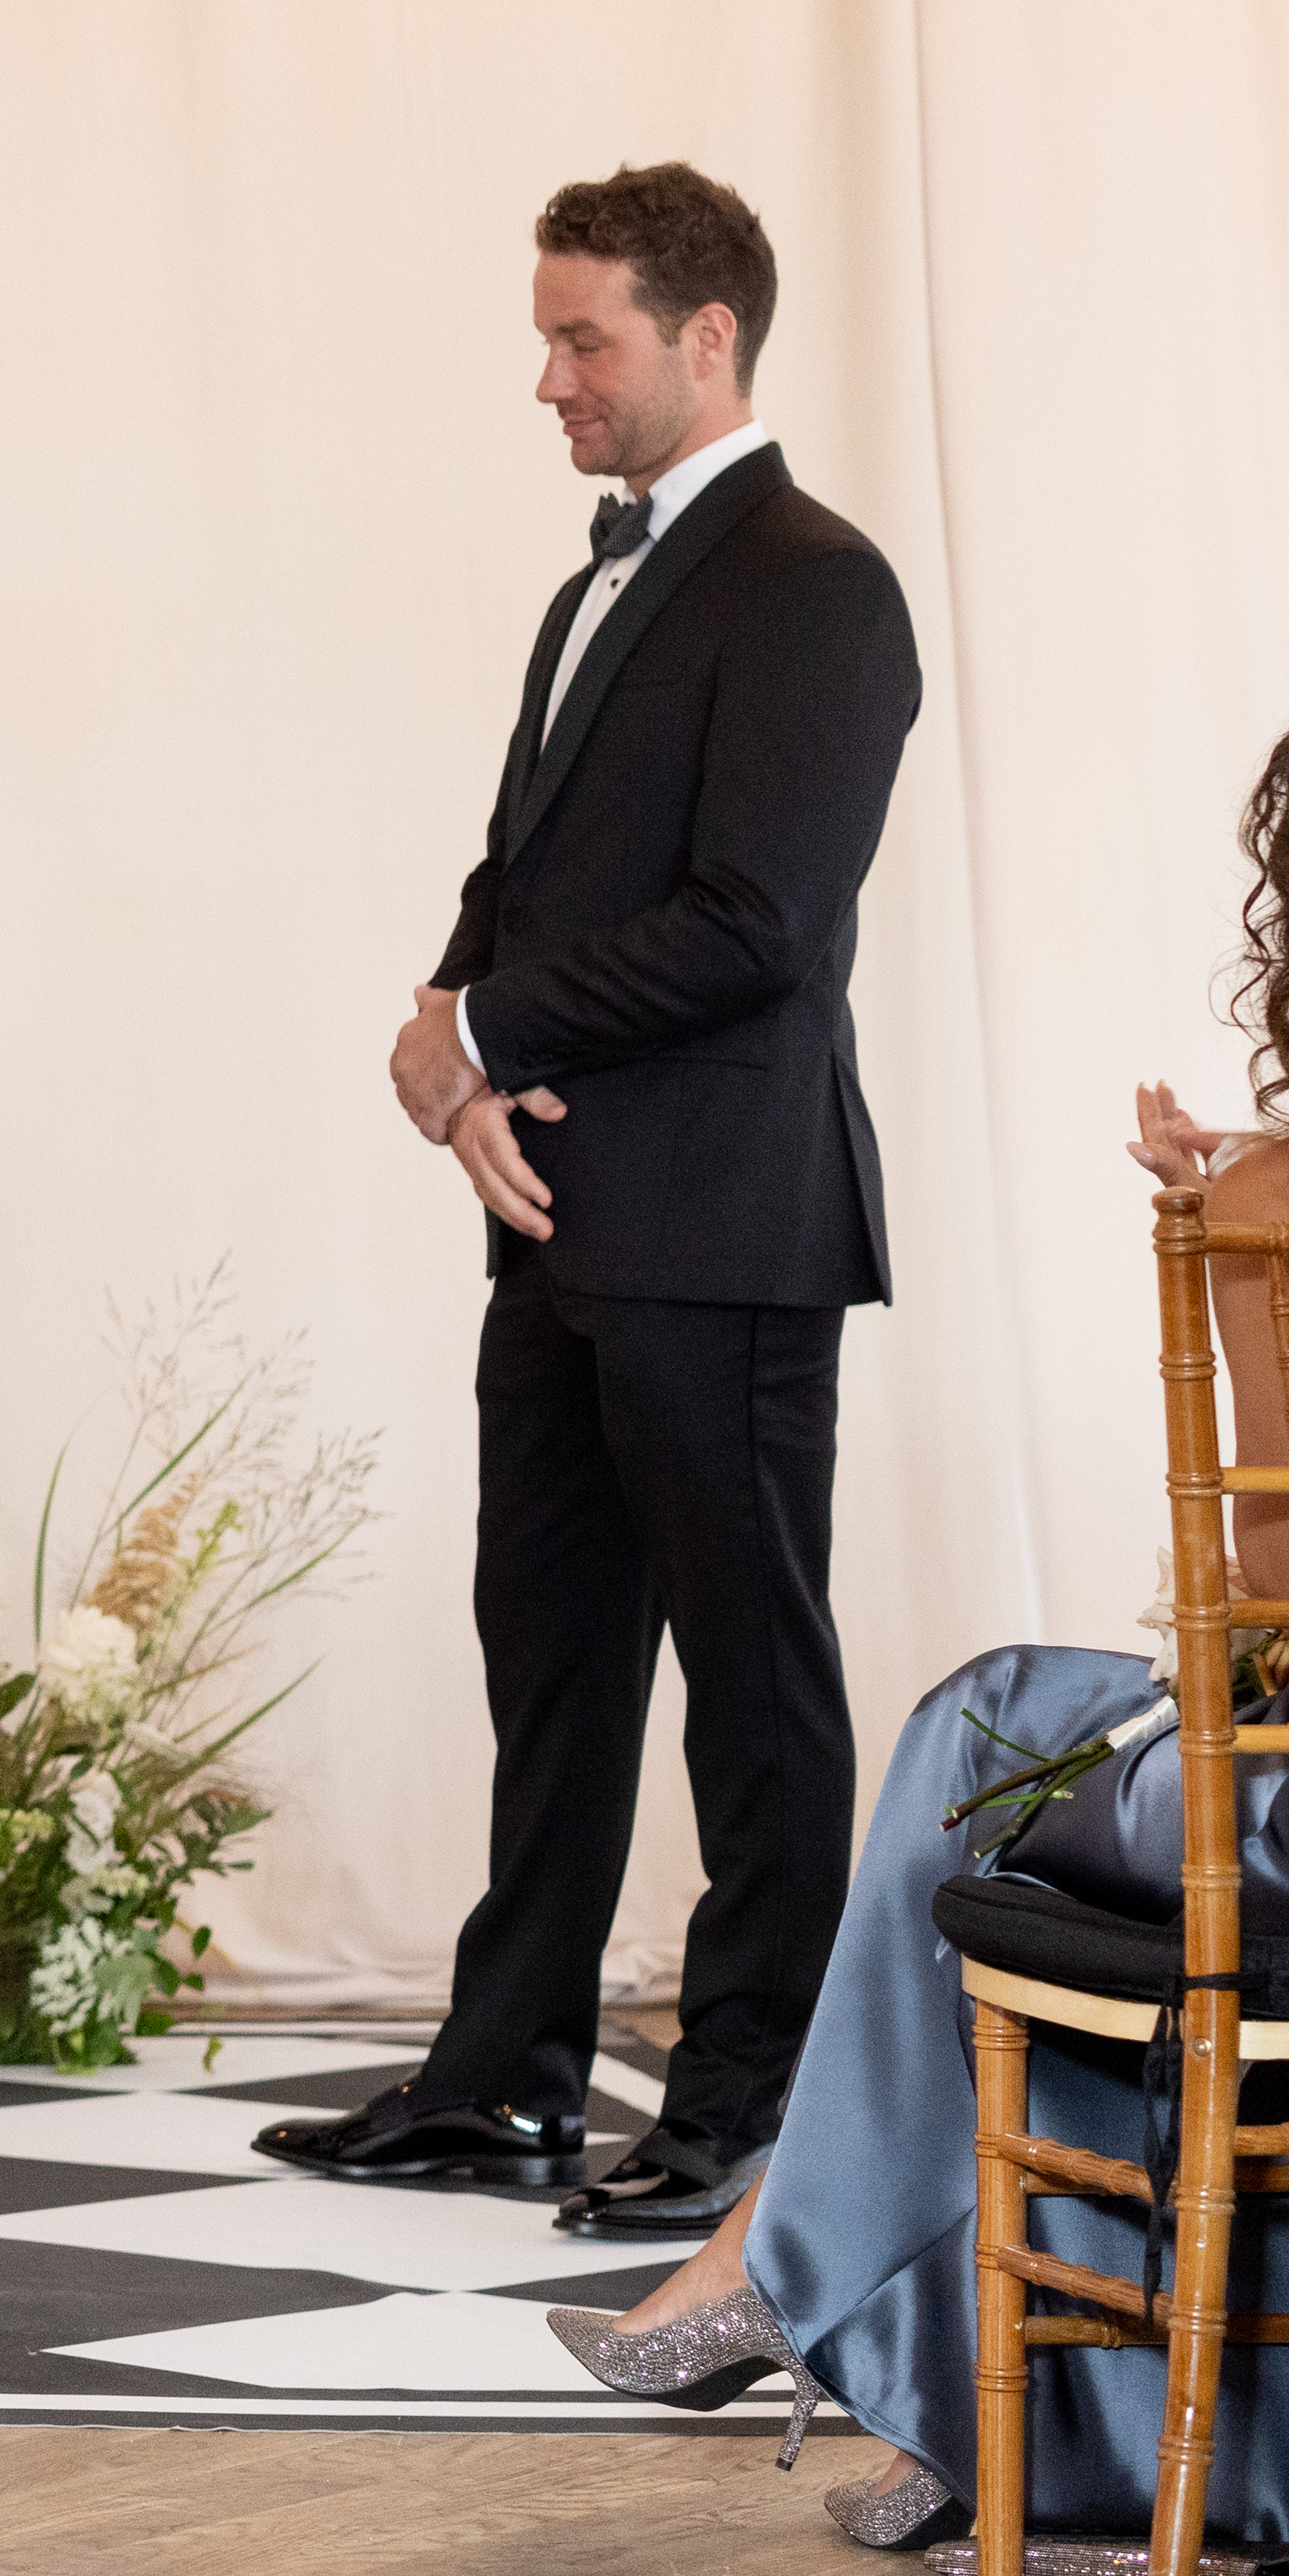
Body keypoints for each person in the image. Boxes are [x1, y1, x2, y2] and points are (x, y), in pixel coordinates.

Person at [545, 673, 1289, 2558]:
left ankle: (796, 2265)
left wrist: (1248, 1258)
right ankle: (973, 2407)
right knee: (1057, 1857)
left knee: (986, 1728)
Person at [265, 162, 920, 2238]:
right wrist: (436, 1014)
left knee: (749, 1667)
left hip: (723, 1216)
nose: (543, 374)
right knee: (545, 1650)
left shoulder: (814, 581)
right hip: (551, 1205)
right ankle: (503, 2074)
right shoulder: (589, 591)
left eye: (581, 338)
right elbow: (523, 861)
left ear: (702, 337)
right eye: (547, 333)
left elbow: (759, 925)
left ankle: (746, 2103)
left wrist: (487, 1010)